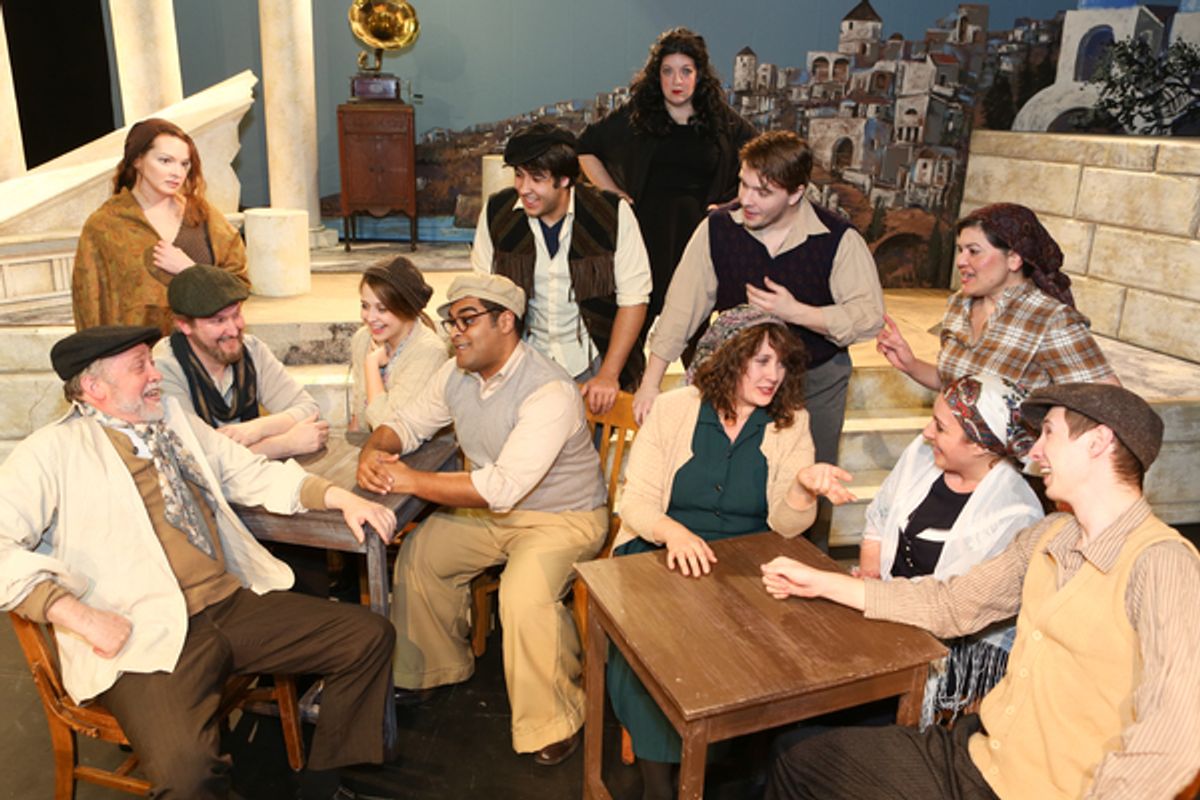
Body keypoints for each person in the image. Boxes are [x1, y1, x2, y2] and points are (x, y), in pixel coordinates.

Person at [0, 325, 399, 800]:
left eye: (151, 361)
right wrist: (77, 615)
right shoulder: (50, 452)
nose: (156, 375)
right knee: (186, 776)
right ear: (94, 388)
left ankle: (322, 786)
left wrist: (335, 497)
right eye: (140, 367)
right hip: (143, 632)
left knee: (366, 637)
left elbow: (242, 469)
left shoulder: (170, 417)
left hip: (228, 604)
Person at [761, 382, 1200, 800]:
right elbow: (951, 605)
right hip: (975, 757)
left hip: (1049, 790)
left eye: (1049, 433)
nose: (1035, 450)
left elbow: (1176, 735)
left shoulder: (1163, 563)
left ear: (1098, 442)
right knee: (801, 761)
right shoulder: (1051, 534)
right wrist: (823, 582)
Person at [356, 274, 608, 766]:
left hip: (564, 516)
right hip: (494, 513)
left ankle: (553, 720)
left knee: (524, 593)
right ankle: (435, 671)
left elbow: (501, 486)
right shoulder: (457, 374)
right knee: (423, 552)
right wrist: (375, 447)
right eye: (452, 321)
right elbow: (406, 422)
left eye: (468, 319)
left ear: (505, 321)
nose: (456, 331)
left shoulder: (549, 389)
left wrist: (406, 480)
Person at [608, 305, 851, 798]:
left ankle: (723, 760)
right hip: (660, 546)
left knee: (745, 651)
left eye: (781, 365)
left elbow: (786, 527)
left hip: (744, 560)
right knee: (657, 651)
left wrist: (803, 488)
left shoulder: (790, 422)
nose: (773, 376)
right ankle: (659, 784)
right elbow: (634, 501)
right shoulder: (676, 410)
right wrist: (673, 533)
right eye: (761, 361)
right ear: (728, 357)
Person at [634, 131, 884, 478]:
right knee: (731, 480)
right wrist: (650, 384)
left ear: (797, 192)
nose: (747, 200)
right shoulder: (718, 228)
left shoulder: (839, 238)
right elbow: (681, 309)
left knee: (808, 482)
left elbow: (869, 317)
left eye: (763, 192)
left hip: (815, 379)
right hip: (737, 378)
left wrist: (796, 312)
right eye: (744, 185)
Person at [855, 374, 1043, 724]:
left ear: (978, 445)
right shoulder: (923, 456)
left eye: (940, 428)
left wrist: (875, 598)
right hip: (888, 605)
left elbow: (953, 611)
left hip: (950, 642)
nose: (927, 433)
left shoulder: (1013, 516)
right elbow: (878, 521)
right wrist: (870, 572)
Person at [471, 122, 652, 415]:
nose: (523, 189)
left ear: (565, 179)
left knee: (585, 459)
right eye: (519, 175)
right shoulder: (497, 214)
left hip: (592, 363)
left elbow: (634, 299)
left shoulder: (612, 214)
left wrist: (608, 374)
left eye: (537, 179)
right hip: (522, 363)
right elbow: (483, 296)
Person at [578, 27, 756, 326]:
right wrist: (613, 194)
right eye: (668, 71)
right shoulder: (637, 114)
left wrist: (736, 202)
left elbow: (762, 161)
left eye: (686, 71)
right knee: (635, 328)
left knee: (695, 334)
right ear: (656, 76)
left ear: (699, 75)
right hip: (645, 236)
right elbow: (585, 147)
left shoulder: (721, 119)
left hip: (698, 239)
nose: (677, 81)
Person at [875, 202, 1118, 392]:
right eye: (961, 250)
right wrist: (910, 364)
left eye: (974, 251)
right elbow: (954, 386)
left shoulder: (1051, 320)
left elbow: (1106, 401)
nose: (961, 261)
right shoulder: (960, 304)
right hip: (955, 451)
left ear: (1014, 258)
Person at [72, 118, 249, 336]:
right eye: (165, 161)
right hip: (137, 359)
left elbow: (239, 284)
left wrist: (191, 271)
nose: (177, 172)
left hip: (203, 357)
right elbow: (89, 304)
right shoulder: (105, 226)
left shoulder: (204, 216)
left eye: (184, 164)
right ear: (137, 159)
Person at [155, 265, 329, 459]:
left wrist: (257, 428)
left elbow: (308, 409)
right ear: (184, 325)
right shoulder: (164, 369)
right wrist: (283, 444)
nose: (233, 330)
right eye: (218, 321)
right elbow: (191, 453)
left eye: (236, 315)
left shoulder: (252, 350)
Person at [349, 256, 449, 432]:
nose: (370, 318)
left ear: (406, 308)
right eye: (365, 306)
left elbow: (388, 428)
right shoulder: (363, 339)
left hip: (419, 454)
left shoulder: (429, 352)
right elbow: (359, 415)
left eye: (382, 309)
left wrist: (371, 365)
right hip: (374, 450)